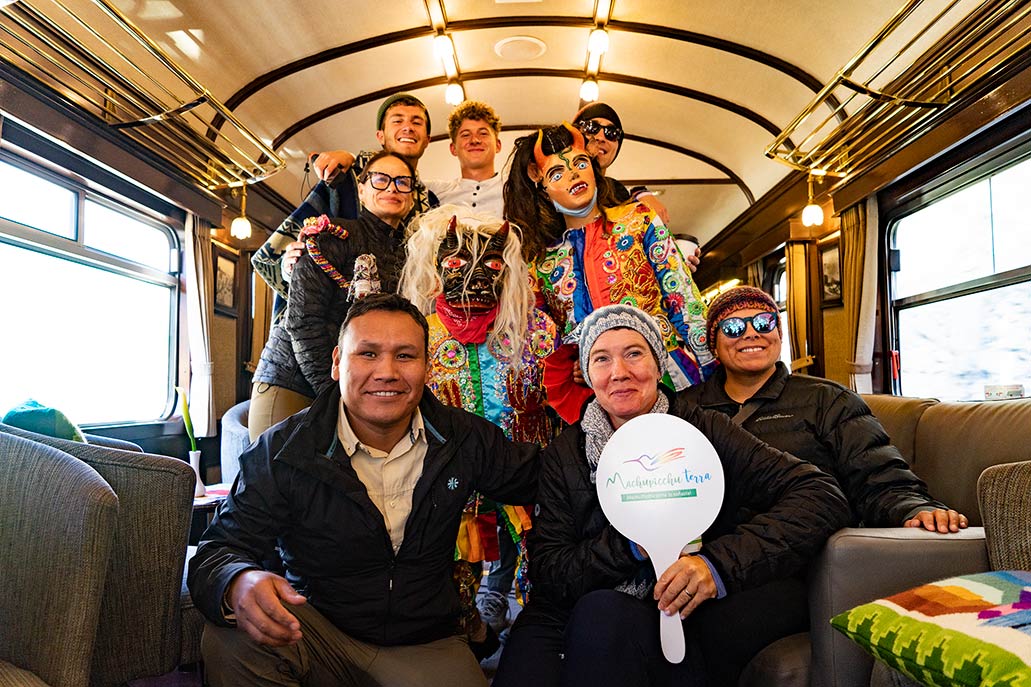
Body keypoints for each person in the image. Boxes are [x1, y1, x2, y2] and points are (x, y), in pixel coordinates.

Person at [188, 293, 540, 687]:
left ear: (427, 367)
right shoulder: (283, 449)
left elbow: (543, 477)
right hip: (316, 633)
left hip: (425, 641)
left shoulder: (464, 438)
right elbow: (219, 550)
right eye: (368, 354)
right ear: (337, 362)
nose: (386, 372)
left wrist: (597, 409)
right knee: (231, 637)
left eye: (405, 356)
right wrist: (238, 580)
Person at [492, 304, 850, 687]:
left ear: (658, 363)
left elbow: (820, 495)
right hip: (573, 603)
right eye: (601, 359)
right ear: (588, 374)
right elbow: (550, 569)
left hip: (681, 604)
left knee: (605, 619)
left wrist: (715, 565)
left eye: (634, 353)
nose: (619, 372)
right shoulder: (566, 452)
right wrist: (632, 546)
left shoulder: (703, 429)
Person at [682, 285, 970, 532]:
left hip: (802, 547)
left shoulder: (830, 400)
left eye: (763, 323)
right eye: (733, 327)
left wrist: (915, 510)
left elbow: (878, 477)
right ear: (714, 346)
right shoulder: (687, 409)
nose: (750, 334)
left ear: (778, 335)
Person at [401, 205, 557, 642]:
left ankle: (524, 619)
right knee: (454, 559)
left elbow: (561, 394)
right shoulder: (419, 334)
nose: (474, 278)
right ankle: (469, 625)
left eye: (490, 264)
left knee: (530, 551)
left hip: (524, 468)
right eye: (457, 264)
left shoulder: (535, 331)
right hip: (449, 476)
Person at [503, 122, 716, 424]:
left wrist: (714, 373)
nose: (573, 175)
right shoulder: (542, 262)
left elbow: (683, 298)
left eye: (580, 163)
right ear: (543, 189)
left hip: (666, 375)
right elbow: (545, 339)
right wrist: (575, 360)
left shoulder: (639, 220)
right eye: (557, 173)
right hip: (596, 393)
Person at [247, 151, 415, 439]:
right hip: (292, 378)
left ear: (411, 197)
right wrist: (335, 392)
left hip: (352, 386)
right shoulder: (331, 237)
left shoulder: (412, 254)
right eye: (380, 179)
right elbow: (302, 321)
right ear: (361, 190)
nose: (392, 188)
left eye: (402, 182)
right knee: (276, 464)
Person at [251, 92, 436, 326]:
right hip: (331, 320)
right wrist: (290, 267)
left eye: (416, 122)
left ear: (427, 139)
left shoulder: (430, 202)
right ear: (380, 135)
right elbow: (284, 252)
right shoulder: (344, 179)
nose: (408, 127)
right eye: (397, 120)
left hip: (396, 323)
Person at [572, 102, 671, 226]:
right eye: (591, 128)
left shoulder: (617, 193)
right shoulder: (553, 187)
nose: (600, 137)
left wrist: (639, 197)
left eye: (611, 133)